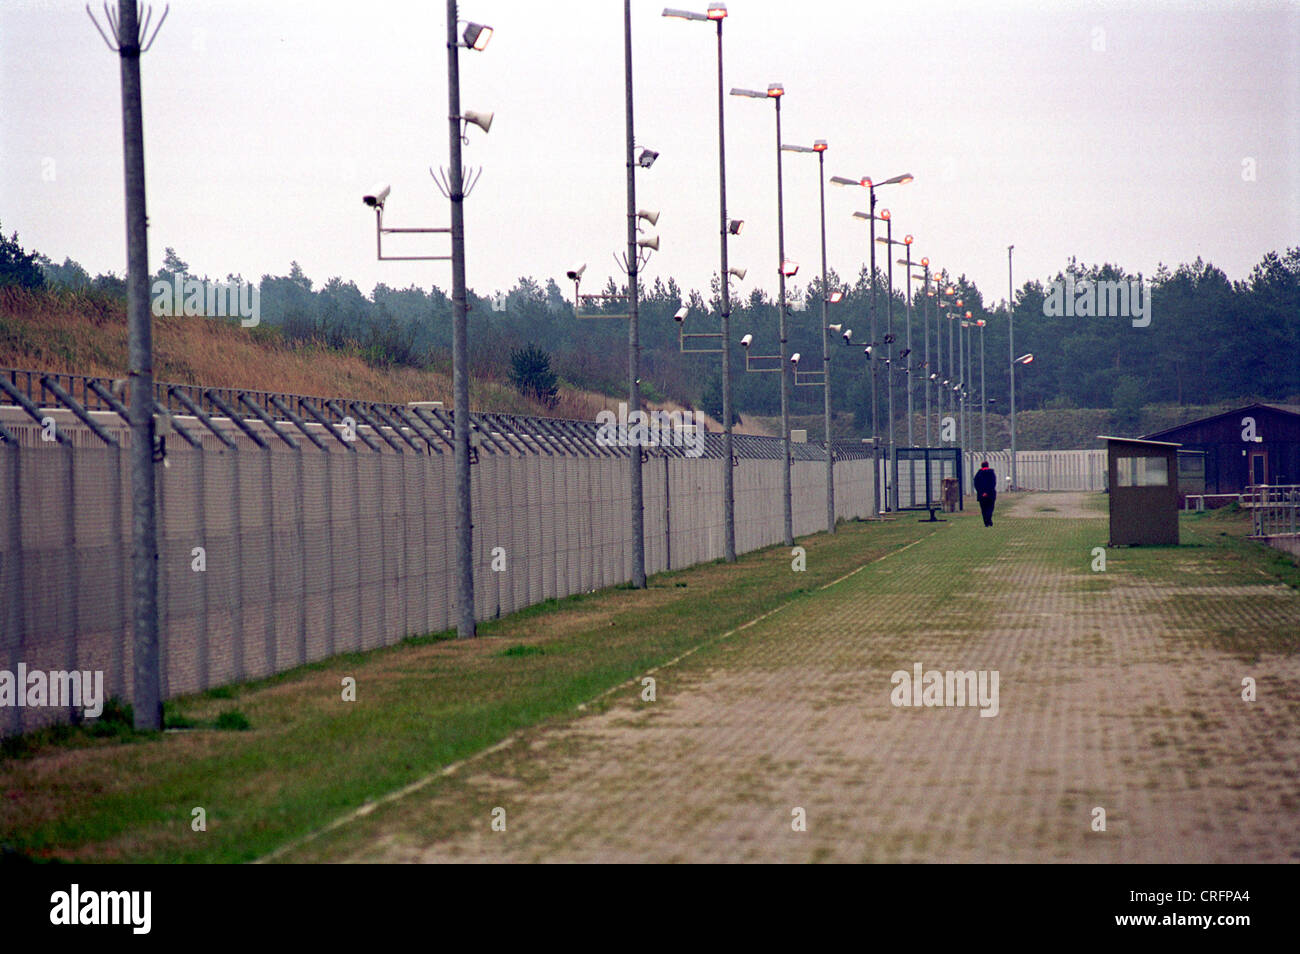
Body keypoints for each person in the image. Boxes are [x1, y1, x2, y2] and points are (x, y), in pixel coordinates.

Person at [973, 460, 998, 527]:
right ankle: (989, 520)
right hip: (991, 494)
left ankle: (986, 522)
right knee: (990, 508)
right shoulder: (991, 473)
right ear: (988, 465)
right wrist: (987, 492)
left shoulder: (978, 474)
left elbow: (976, 484)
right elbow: (993, 483)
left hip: (981, 495)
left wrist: (981, 492)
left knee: (983, 509)